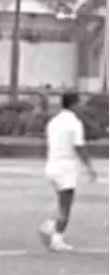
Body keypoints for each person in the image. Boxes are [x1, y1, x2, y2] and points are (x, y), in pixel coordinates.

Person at [39, 91, 97, 252]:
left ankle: (50, 225)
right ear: (74, 104)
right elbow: (79, 146)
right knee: (66, 205)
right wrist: (89, 167)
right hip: (66, 167)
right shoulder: (74, 124)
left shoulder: (53, 121)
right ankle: (57, 238)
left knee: (61, 201)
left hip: (51, 164)